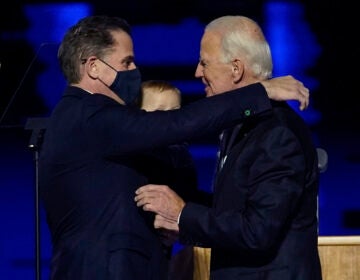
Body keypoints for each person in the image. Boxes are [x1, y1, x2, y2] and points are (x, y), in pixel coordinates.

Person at [38, 14, 310, 280]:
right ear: (93, 67)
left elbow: (243, 215)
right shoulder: (87, 116)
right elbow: (176, 124)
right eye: (127, 62)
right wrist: (260, 92)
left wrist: (181, 215)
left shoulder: (274, 131)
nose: (135, 71)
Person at [135, 15, 322, 280]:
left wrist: (182, 213)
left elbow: (258, 231)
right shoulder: (245, 125)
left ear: (236, 69)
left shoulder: (277, 133)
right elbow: (234, 209)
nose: (197, 72)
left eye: (204, 63)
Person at [138, 80, 205, 279]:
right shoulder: (136, 154)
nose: (168, 119)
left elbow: (188, 197)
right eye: (159, 111)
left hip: (166, 250)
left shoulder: (181, 156)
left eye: (175, 111)